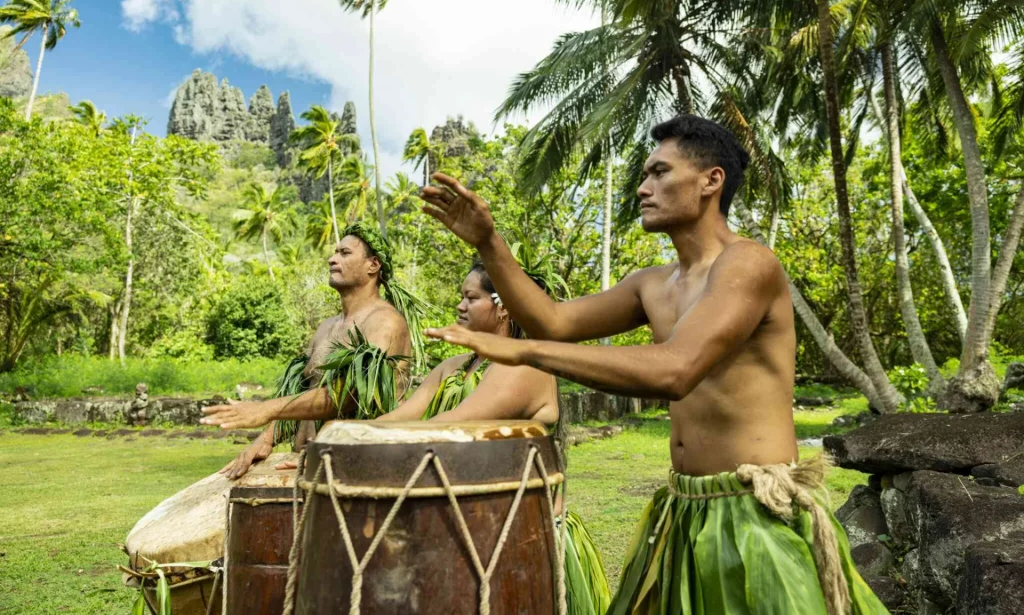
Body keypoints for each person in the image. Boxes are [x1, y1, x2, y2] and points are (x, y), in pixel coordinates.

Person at [419, 115, 887, 615]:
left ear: (711, 180)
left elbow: (675, 370)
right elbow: (553, 320)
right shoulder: (653, 284)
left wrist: (525, 351)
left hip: (755, 513)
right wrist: (489, 244)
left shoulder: (749, 264)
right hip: (682, 511)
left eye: (659, 172)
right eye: (645, 175)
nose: (643, 187)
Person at [203, 258, 612, 615]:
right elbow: (399, 417)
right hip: (458, 526)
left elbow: (448, 425)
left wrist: (335, 438)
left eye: (471, 298)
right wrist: (334, 442)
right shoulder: (454, 366)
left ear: (503, 307)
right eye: (461, 296)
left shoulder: (525, 368)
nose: (460, 305)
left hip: (519, 537)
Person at [203, 223, 424, 479]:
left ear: (373, 265)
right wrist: (266, 438)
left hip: (358, 471)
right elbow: (305, 394)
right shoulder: (327, 327)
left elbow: (351, 394)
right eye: (334, 252)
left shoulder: (385, 322)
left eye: (344, 253)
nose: (332, 259)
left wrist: (266, 408)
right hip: (309, 465)